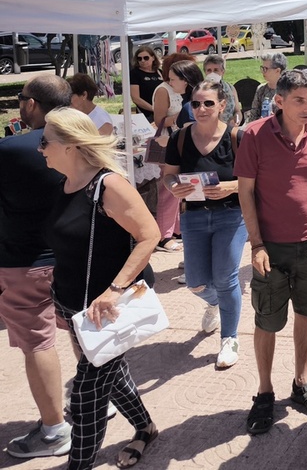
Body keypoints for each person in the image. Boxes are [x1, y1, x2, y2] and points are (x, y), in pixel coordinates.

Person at [41, 107, 160, 470]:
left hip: (113, 304)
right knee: (109, 368)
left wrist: (114, 289)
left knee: (85, 396)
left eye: (45, 141)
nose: (40, 148)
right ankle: (145, 427)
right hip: (75, 305)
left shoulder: (108, 185)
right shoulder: (62, 184)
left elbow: (149, 235)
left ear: (71, 146)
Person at [234, 69, 307, 435]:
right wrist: (257, 244)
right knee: (267, 319)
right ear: (278, 101)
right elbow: (245, 192)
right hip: (272, 246)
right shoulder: (254, 135)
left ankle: (301, 381)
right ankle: (264, 391)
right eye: (299, 100)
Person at [1, 76, 73, 460]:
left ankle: (54, 431)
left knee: (38, 342)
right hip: (77, 254)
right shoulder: (83, 140)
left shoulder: (12, 148)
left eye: (20, 97)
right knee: (80, 326)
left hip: (26, 259)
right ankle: (98, 398)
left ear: (32, 104)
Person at [161, 80, 247, 370]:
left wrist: (230, 188)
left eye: (208, 103)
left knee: (226, 277)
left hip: (231, 216)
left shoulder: (237, 137)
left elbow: (255, 181)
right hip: (193, 216)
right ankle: (215, 304)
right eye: (195, 103)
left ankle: (230, 338)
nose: (200, 108)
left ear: (222, 106)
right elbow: (169, 175)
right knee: (197, 282)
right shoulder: (181, 138)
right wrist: (174, 186)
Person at [152, 55, 200, 253]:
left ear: (185, 80)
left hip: (189, 159)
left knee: (181, 195)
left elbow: (193, 137)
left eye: (173, 79)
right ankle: (171, 235)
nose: (169, 82)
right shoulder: (190, 101)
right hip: (185, 156)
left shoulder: (190, 105)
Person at [245, 52, 287, 123]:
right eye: (262, 68)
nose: (263, 72)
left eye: (266, 69)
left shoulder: (289, 90)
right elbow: (253, 116)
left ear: (277, 71)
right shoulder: (261, 89)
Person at [203, 54, 242, 126]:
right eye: (209, 70)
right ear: (205, 72)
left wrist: (237, 119)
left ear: (222, 72)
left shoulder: (230, 88)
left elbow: (237, 111)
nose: (212, 73)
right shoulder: (201, 90)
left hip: (229, 129)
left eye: (216, 70)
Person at [128, 46, 162, 123]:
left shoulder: (160, 72)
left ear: (153, 58)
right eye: (139, 59)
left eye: (146, 58)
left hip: (162, 113)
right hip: (146, 115)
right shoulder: (134, 73)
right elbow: (135, 98)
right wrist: (153, 109)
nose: (142, 61)